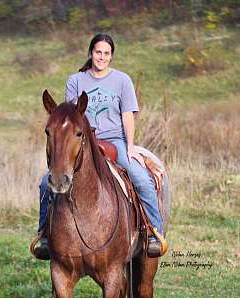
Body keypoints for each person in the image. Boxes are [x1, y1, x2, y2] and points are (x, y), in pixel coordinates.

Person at [32, 33, 165, 260]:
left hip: (114, 141)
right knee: (46, 183)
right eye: (97, 52)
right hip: (84, 140)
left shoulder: (122, 81)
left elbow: (127, 116)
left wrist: (130, 147)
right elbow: (70, 119)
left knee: (141, 179)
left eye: (106, 53)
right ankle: (44, 235)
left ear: (111, 56)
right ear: (91, 53)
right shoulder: (76, 81)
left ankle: (153, 232)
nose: (101, 57)